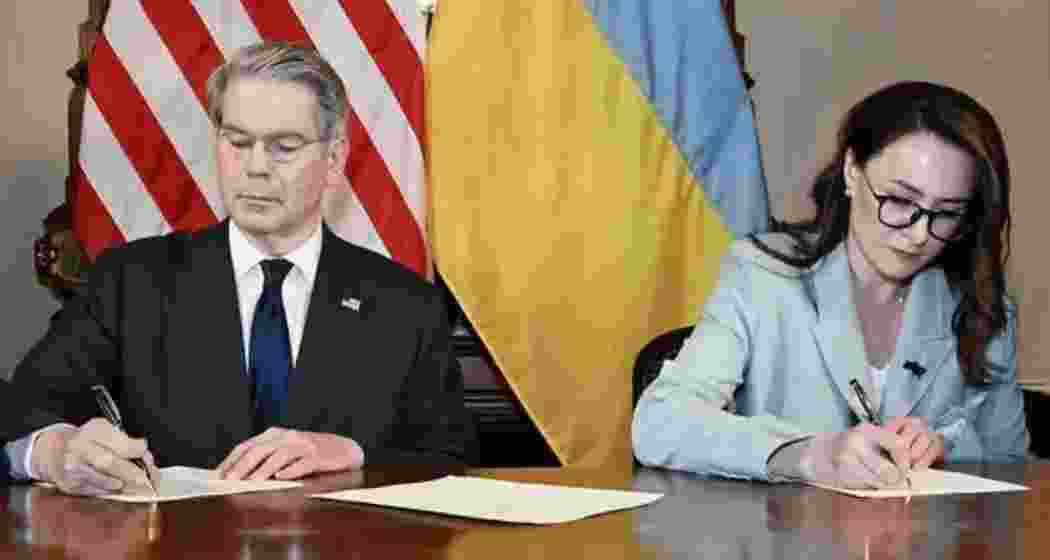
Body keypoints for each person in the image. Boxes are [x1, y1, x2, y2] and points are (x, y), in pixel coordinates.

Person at [4, 41, 473, 496]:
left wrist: (356, 451)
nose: (255, 168)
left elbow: (450, 457)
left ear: (333, 159)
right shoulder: (132, 281)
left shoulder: (405, 303)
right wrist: (57, 449)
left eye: (284, 147)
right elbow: (22, 408)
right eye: (237, 142)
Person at [632, 81, 1029, 488]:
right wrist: (806, 454)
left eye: (946, 213)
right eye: (900, 201)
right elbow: (660, 423)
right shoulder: (763, 275)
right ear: (852, 172)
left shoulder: (980, 305)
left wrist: (947, 448)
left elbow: (1013, 461)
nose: (919, 235)